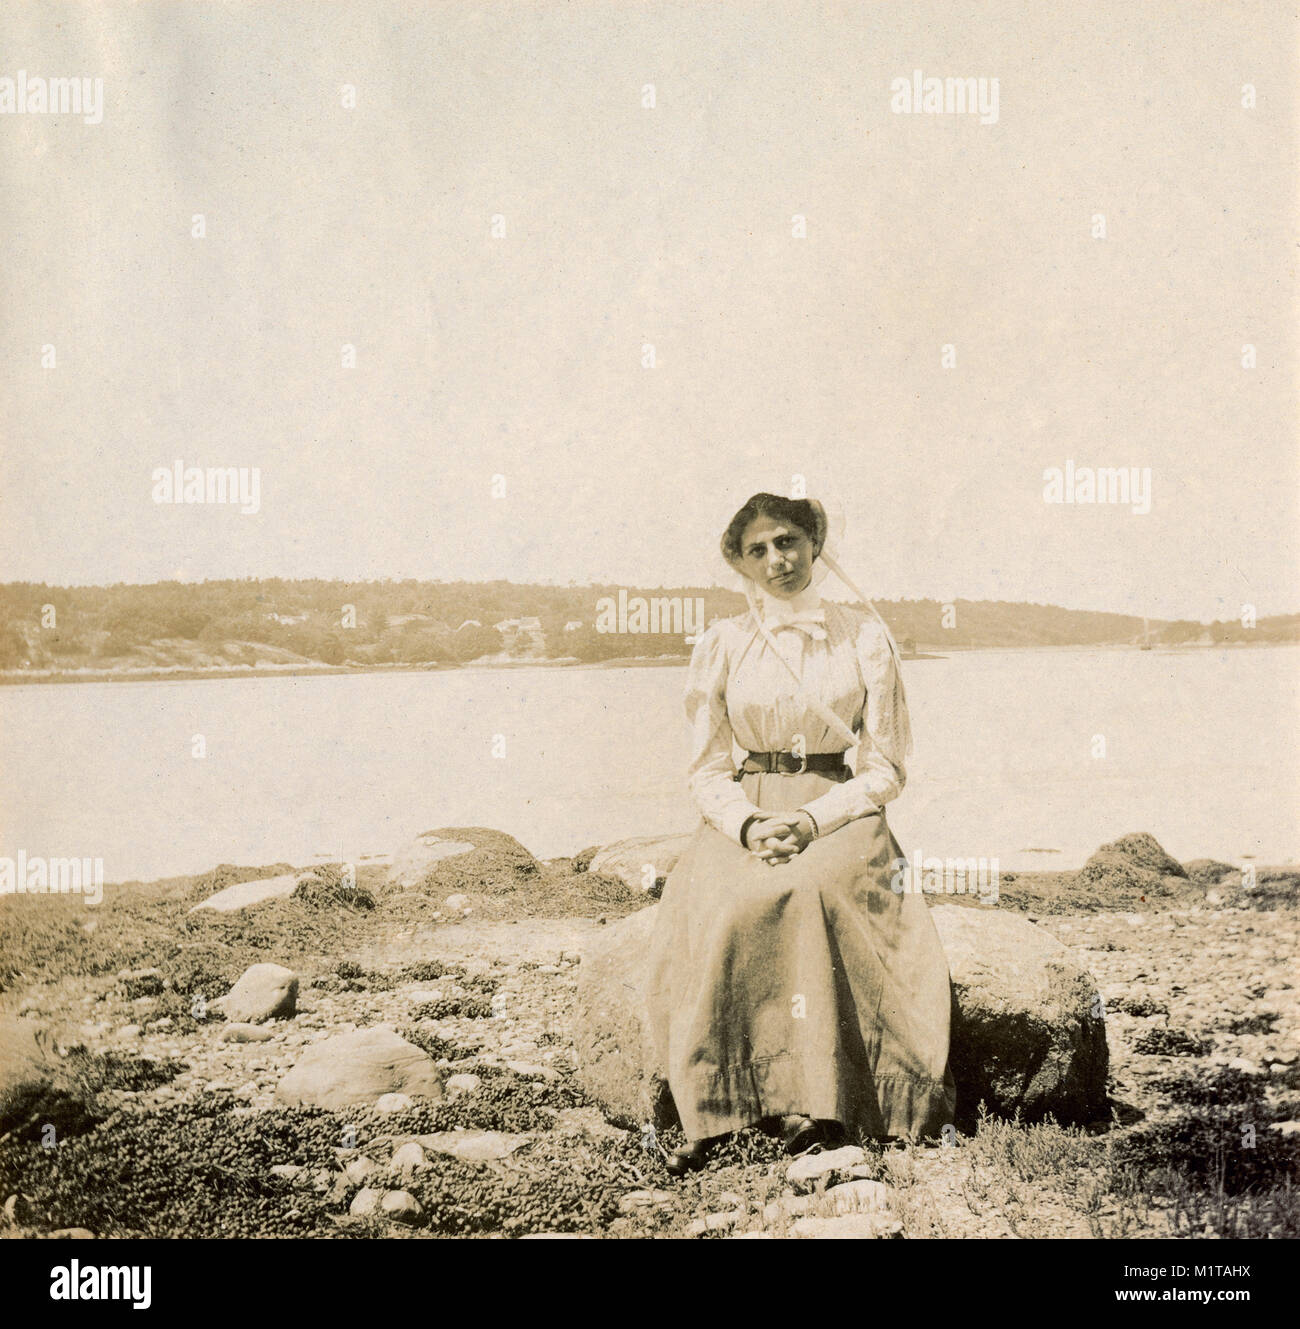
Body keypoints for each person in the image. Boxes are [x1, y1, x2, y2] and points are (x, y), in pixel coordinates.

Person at [646, 493, 956, 1175]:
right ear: (740, 561)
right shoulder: (725, 642)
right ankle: (719, 1109)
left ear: (814, 541)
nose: (776, 560)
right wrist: (750, 823)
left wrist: (814, 819)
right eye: (756, 549)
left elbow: (885, 767)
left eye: (786, 540)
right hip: (749, 805)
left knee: (815, 889)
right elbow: (703, 769)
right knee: (730, 904)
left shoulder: (864, 636)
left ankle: (830, 1103)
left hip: (839, 804)